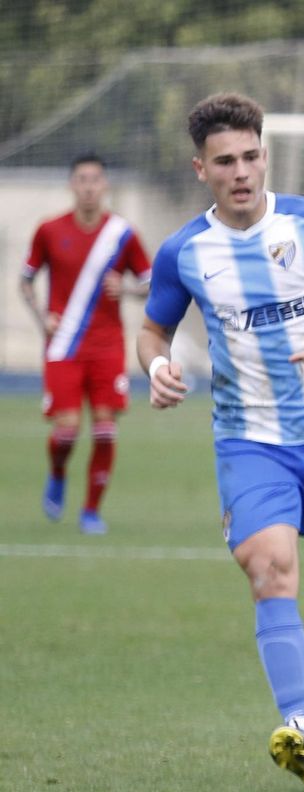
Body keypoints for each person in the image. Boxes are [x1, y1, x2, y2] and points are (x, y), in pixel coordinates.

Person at [136, 93, 304, 790]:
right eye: (225, 161)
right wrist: (159, 368)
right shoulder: (184, 252)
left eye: (252, 156)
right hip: (248, 440)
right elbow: (153, 330)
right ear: (202, 168)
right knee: (269, 569)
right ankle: (302, 727)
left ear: (266, 156)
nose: (241, 172)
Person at [21, 154, 152, 534]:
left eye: (96, 179)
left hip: (107, 346)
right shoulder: (49, 230)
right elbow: (25, 280)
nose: (89, 186)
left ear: (105, 185)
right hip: (63, 345)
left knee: (105, 430)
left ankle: (91, 511)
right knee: (66, 430)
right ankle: (58, 472)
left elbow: (149, 283)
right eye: (82, 179)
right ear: (71, 184)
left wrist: (125, 288)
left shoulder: (122, 234)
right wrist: (41, 316)